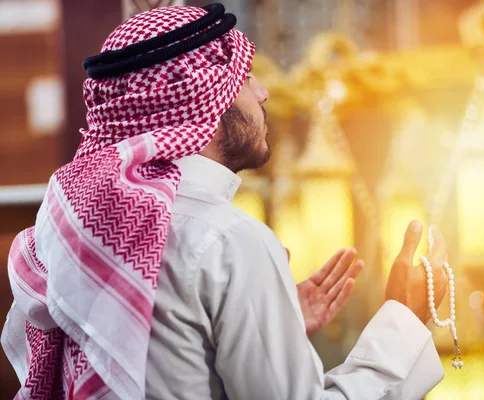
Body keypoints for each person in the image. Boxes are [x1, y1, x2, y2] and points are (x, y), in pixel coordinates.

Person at [1, 4, 449, 400]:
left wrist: (270, 323)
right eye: (245, 77)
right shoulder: (227, 240)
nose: (263, 93)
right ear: (203, 99)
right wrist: (405, 321)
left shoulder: (83, 227)